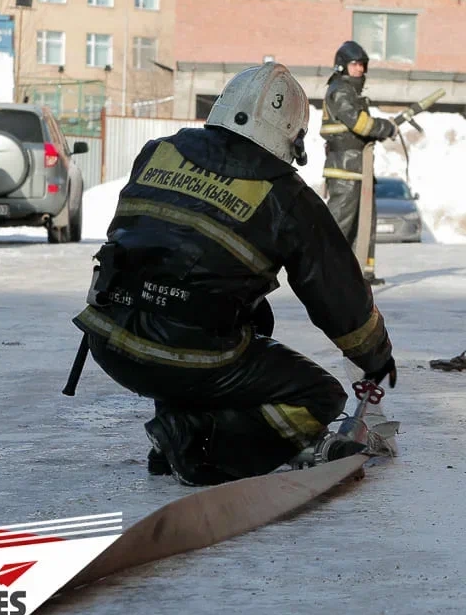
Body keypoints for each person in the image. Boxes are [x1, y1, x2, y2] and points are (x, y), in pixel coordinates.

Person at [70, 61, 397, 486]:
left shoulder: (158, 152)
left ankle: (178, 421)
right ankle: (197, 444)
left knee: (250, 319)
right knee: (318, 394)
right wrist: (374, 355)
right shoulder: (286, 194)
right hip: (188, 355)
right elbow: (338, 297)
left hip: (110, 340)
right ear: (290, 135)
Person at [321, 41, 398, 283]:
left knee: (365, 222)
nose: (360, 69)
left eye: (363, 65)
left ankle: (361, 272)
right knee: (341, 224)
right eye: (355, 64)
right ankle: (326, 274)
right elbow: (358, 123)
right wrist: (385, 127)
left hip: (358, 167)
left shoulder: (350, 92)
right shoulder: (341, 90)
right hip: (345, 170)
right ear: (342, 66)